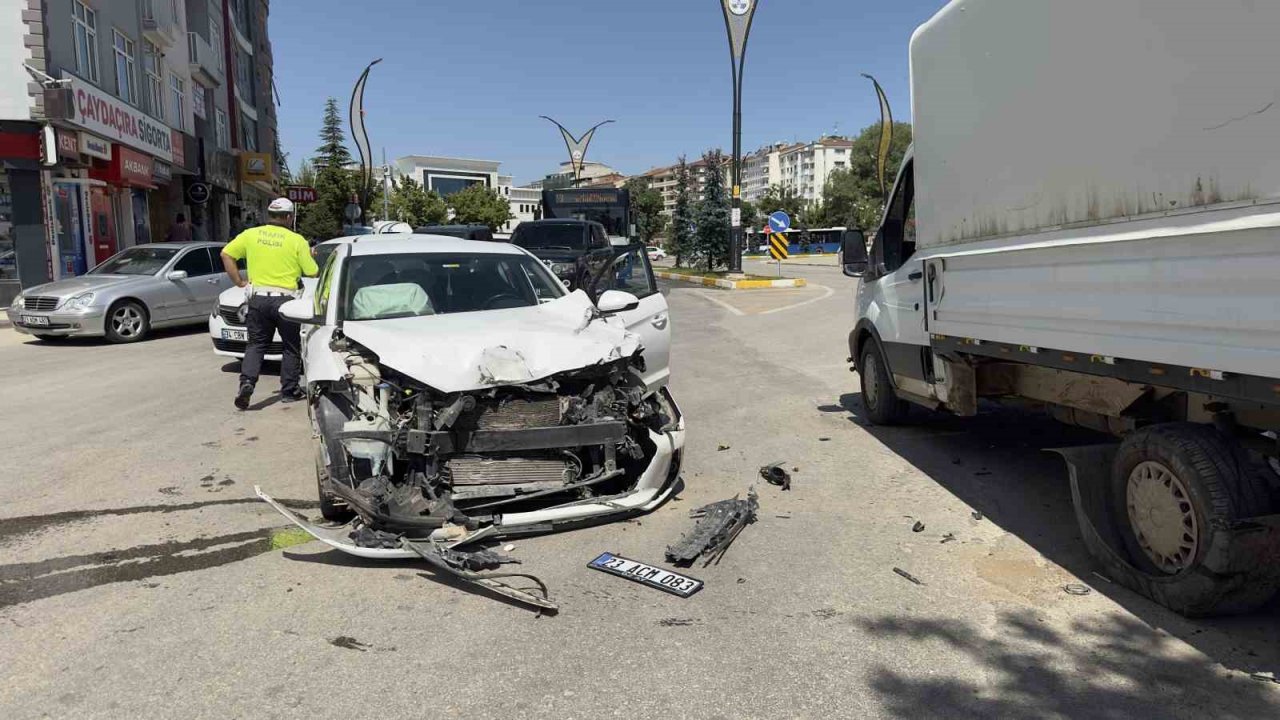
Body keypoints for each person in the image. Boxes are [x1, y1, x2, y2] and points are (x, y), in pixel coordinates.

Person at [220, 198, 318, 409]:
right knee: (291, 346)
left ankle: (247, 383)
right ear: (289, 217)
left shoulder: (251, 235)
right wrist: (310, 255)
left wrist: (238, 281)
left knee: (256, 344)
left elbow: (226, 254)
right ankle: (289, 391)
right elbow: (312, 271)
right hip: (286, 302)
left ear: (269, 215)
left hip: (258, 298)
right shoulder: (296, 240)